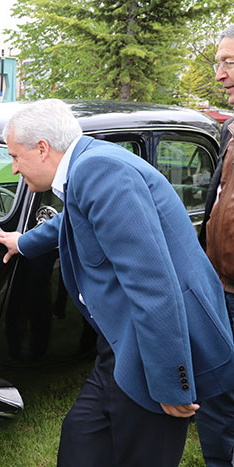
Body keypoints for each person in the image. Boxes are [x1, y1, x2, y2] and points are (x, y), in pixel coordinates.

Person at [0, 99, 234, 466]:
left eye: (15, 156)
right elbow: (73, 217)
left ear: (42, 148)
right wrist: (23, 242)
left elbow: (153, 284)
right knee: (80, 438)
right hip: (118, 342)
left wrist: (170, 384)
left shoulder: (99, 170)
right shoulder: (87, 164)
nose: (13, 168)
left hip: (153, 344)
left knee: (140, 454)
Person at [195, 23, 234, 467]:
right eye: (217, 63)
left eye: (228, 63)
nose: (219, 74)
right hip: (221, 288)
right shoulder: (229, 131)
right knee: (216, 388)